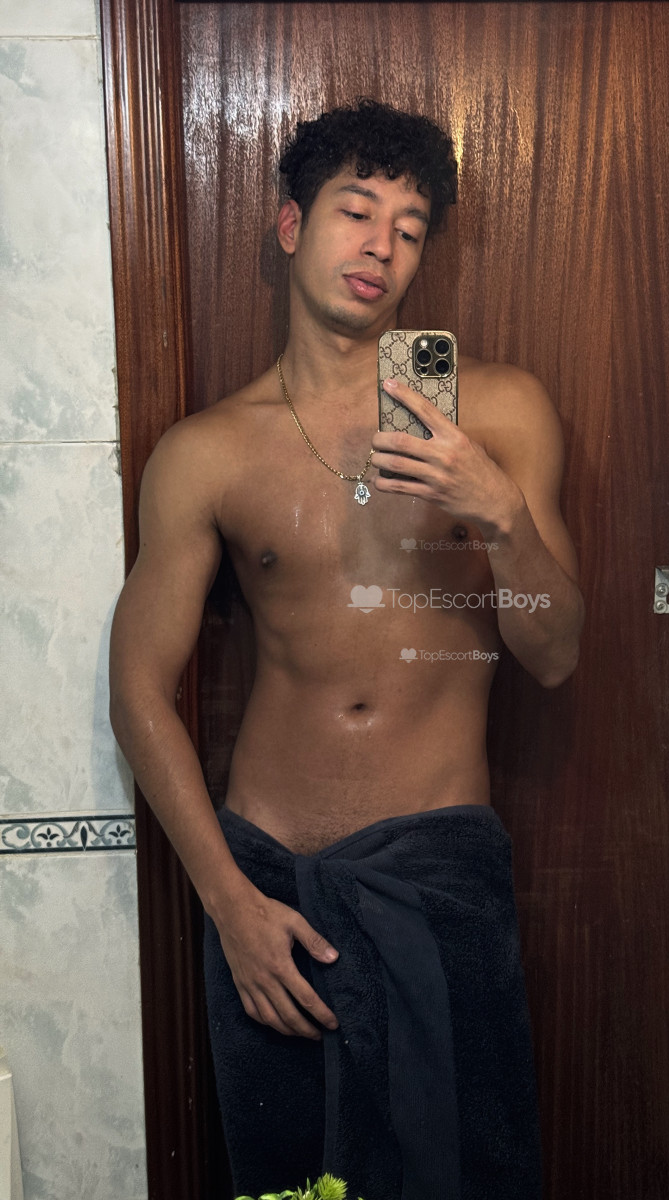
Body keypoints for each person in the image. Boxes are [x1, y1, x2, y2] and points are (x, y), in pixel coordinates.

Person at [109, 98, 584, 1200]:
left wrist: (499, 512)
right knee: (288, 1186)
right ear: (291, 226)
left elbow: (555, 653)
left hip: (439, 877)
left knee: (465, 1177)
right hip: (268, 887)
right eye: (356, 212)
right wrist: (228, 902)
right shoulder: (208, 453)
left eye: (409, 229)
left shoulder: (497, 412)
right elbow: (138, 689)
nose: (381, 247)